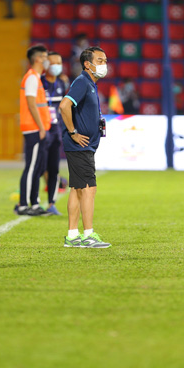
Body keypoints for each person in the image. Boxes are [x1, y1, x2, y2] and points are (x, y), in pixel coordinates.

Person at [58, 46, 111, 248]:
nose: (104, 64)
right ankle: (88, 235)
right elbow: (64, 106)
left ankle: (72, 235)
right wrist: (73, 132)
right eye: (99, 60)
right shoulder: (82, 82)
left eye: (105, 60)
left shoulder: (89, 83)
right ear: (87, 64)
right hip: (80, 145)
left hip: (82, 146)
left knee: (77, 189)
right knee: (89, 189)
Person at [15, 45, 51, 217]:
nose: (47, 60)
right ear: (37, 59)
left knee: (37, 168)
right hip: (34, 128)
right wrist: (41, 126)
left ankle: (34, 203)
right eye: (45, 56)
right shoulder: (31, 78)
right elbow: (31, 103)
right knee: (31, 168)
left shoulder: (35, 77)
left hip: (37, 127)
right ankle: (23, 205)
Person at [40, 51, 66, 216]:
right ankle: (32, 203)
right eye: (53, 62)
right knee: (39, 167)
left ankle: (51, 203)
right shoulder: (39, 82)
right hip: (41, 131)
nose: (57, 65)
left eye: (59, 62)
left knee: (54, 167)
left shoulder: (61, 84)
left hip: (56, 132)